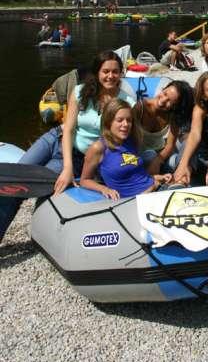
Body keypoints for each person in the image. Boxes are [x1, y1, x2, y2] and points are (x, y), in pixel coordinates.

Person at [0, 51, 135, 243]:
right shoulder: (80, 91)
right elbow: (69, 129)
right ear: (97, 72)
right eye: (106, 71)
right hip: (55, 139)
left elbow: (125, 139)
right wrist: (67, 168)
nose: (110, 76)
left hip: (79, 156)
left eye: (115, 71)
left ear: (121, 73)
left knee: (22, 187)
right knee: (12, 179)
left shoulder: (126, 102)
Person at [80, 98, 170, 199]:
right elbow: (84, 180)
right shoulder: (99, 148)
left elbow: (136, 176)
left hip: (155, 189)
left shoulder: (130, 141)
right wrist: (104, 189)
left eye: (129, 120)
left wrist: (158, 177)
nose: (126, 124)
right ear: (108, 122)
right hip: (137, 201)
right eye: (120, 120)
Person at [133, 80, 194, 176]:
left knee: (190, 143)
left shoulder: (172, 114)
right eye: (165, 93)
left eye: (170, 101)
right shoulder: (141, 108)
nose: (163, 100)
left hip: (161, 154)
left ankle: (182, 176)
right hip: (139, 156)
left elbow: (170, 145)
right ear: (162, 89)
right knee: (150, 155)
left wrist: (158, 160)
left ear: (176, 106)